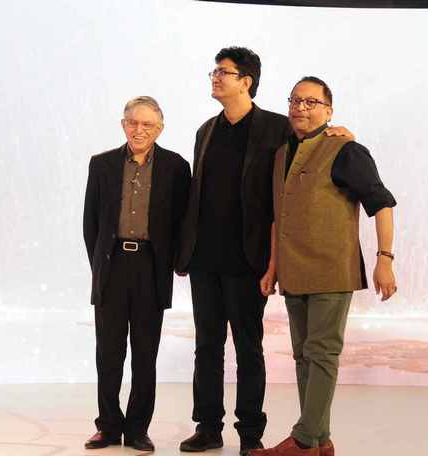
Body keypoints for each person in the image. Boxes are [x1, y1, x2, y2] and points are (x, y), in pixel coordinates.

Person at [176, 47, 352, 456]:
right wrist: (184, 251)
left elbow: (313, 141)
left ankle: (250, 432)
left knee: (248, 347)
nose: (215, 77)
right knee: (207, 346)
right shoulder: (206, 130)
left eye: (223, 72)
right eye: (214, 71)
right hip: (204, 258)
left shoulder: (276, 128)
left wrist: (341, 133)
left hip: (248, 259)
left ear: (246, 81)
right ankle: (208, 427)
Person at [254, 76, 398, 456]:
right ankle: (319, 441)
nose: (301, 107)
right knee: (304, 355)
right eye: (295, 100)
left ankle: (304, 439)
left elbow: (381, 203)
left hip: (331, 271)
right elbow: (278, 216)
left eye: (311, 102)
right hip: (293, 272)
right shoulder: (282, 154)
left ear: (329, 110)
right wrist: (273, 267)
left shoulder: (346, 150)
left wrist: (385, 260)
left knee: (321, 352)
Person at [83, 96, 191, 452]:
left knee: (145, 354)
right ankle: (108, 426)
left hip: (150, 267)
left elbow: (183, 222)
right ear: (123, 124)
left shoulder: (176, 167)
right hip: (112, 266)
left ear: (159, 129)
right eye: (133, 122)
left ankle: (137, 429)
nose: (139, 130)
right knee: (108, 353)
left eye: (147, 124)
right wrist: (100, 266)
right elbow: (90, 223)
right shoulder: (101, 164)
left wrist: (175, 262)